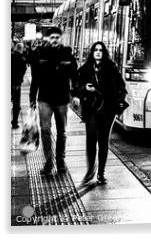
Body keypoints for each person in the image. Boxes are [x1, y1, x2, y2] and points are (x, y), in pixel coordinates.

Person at [72, 41, 127, 185]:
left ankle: (101, 173)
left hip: (108, 110)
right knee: (91, 139)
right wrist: (83, 90)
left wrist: (118, 100)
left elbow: (121, 87)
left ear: (104, 53)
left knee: (103, 142)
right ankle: (90, 169)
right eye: (95, 50)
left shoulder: (111, 68)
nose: (98, 52)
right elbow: (77, 87)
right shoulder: (85, 69)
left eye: (100, 50)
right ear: (92, 52)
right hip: (91, 109)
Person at [30, 27, 77, 175]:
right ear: (48, 39)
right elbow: (35, 77)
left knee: (62, 132)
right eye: (52, 37)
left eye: (57, 37)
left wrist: (75, 95)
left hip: (62, 99)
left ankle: (60, 162)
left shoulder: (67, 53)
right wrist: (32, 99)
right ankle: (49, 163)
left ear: (61, 38)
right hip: (44, 98)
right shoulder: (40, 53)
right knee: (45, 131)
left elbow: (75, 75)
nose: (55, 39)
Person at [11, 42, 27, 129]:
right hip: (16, 84)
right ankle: (14, 122)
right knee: (16, 103)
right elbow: (23, 71)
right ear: (21, 49)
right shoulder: (22, 59)